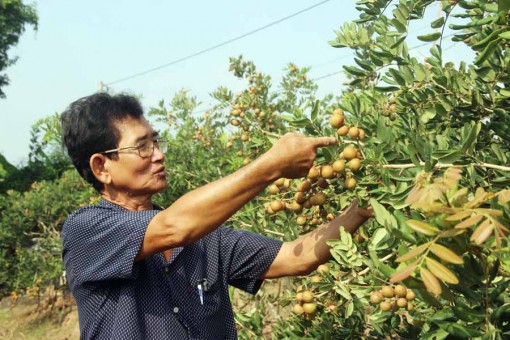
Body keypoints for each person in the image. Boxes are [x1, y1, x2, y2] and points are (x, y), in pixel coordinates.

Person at [60, 92, 372, 339]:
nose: (158, 154)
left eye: (156, 141)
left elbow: (295, 257)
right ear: (101, 167)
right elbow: (173, 227)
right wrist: (272, 165)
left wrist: (365, 206)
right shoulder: (86, 230)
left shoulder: (207, 237)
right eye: (142, 147)